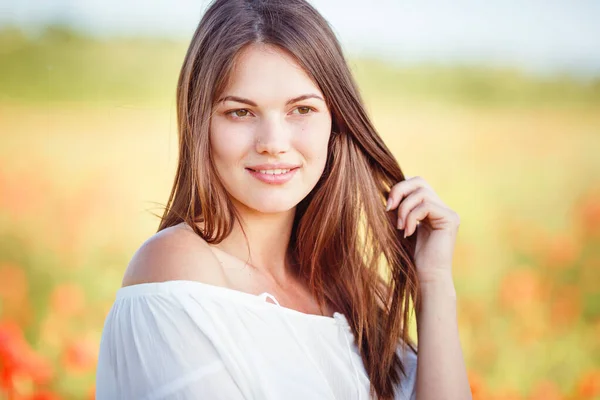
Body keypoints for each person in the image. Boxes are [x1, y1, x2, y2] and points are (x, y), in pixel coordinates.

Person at [95, 0, 472, 399]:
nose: (273, 144)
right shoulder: (179, 268)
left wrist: (433, 283)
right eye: (240, 113)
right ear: (199, 124)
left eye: (302, 109)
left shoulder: (349, 287)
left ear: (337, 122)